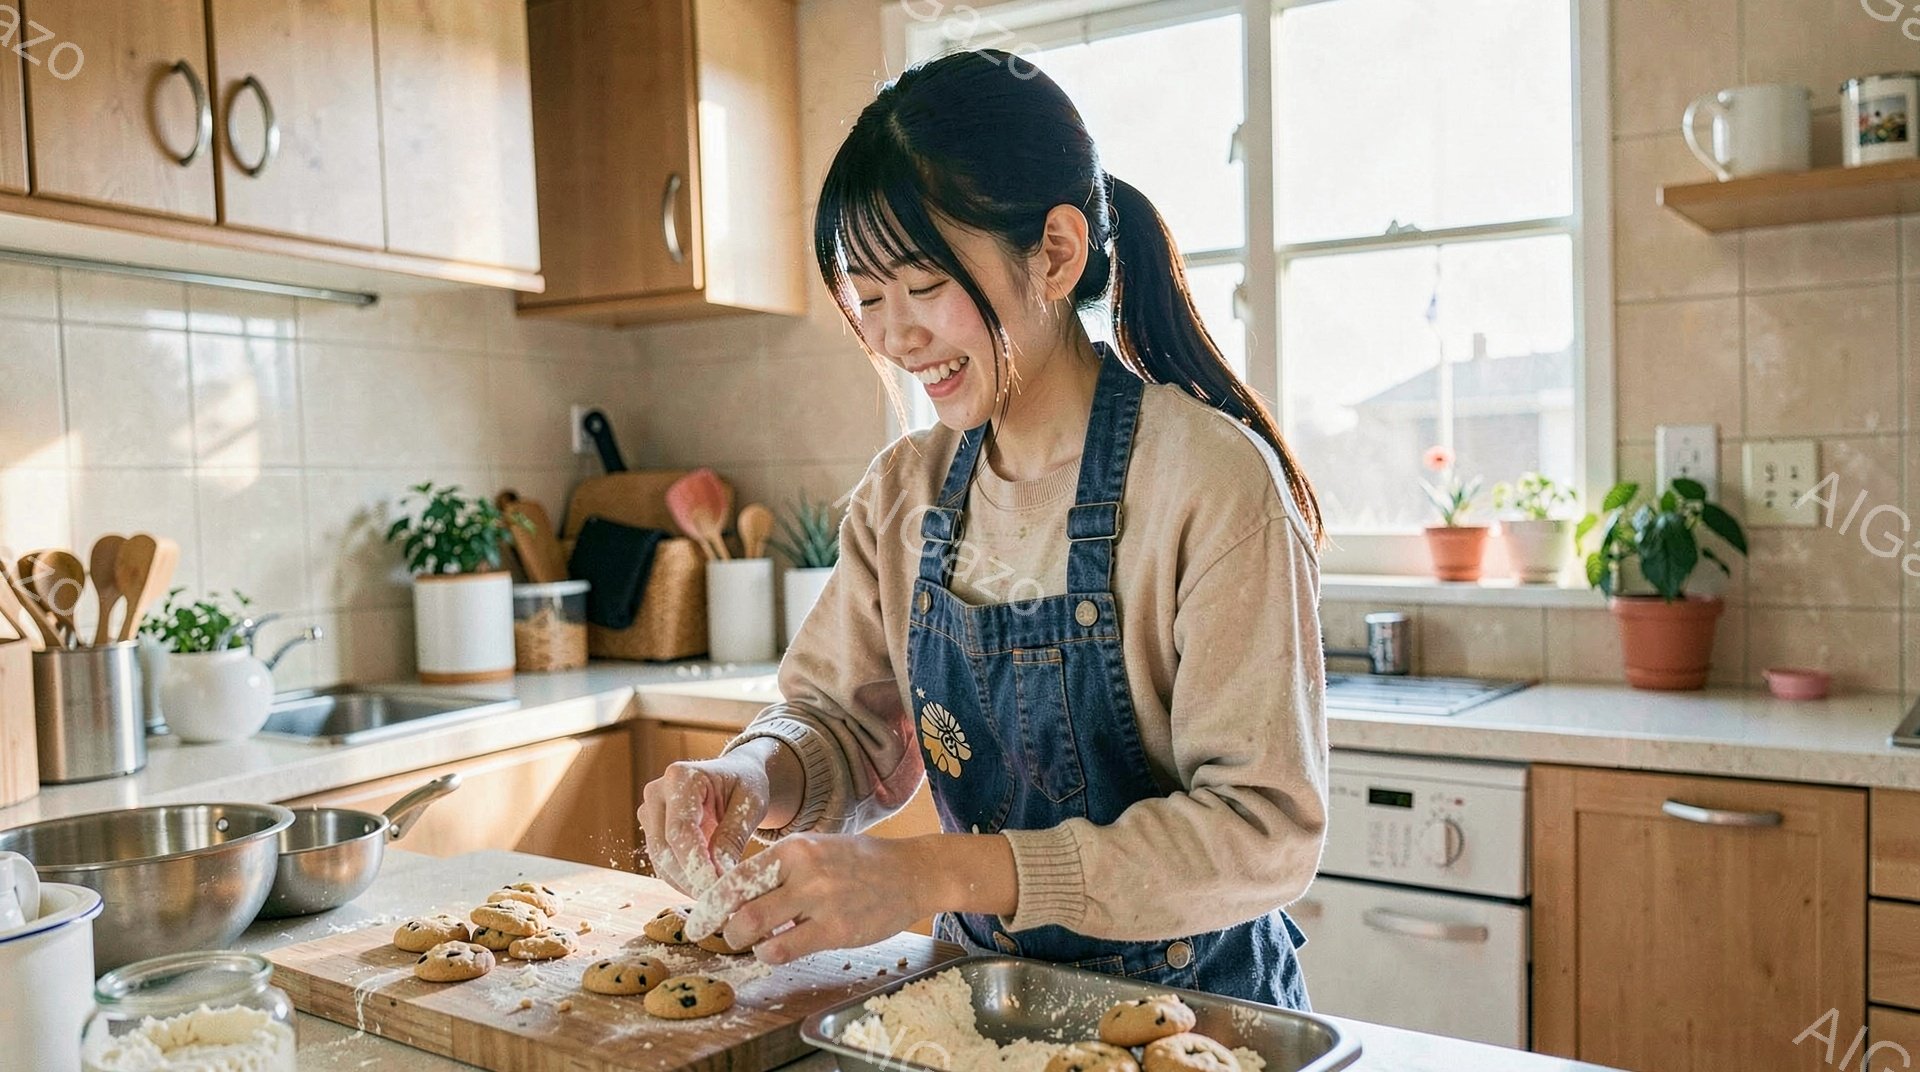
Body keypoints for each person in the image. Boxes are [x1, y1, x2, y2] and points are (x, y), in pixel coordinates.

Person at [638, 48, 1328, 1008]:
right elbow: (843, 725)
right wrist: (748, 777)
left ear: (1054, 251)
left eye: (921, 287)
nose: (891, 337)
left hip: (1199, 1014)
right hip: (976, 1000)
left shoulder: (1207, 481)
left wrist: (934, 875)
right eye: (867, 298)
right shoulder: (906, 492)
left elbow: (1260, 831)